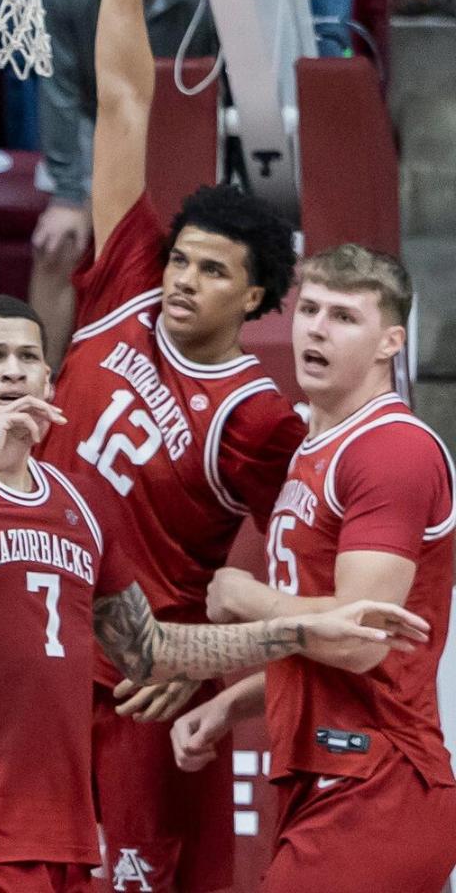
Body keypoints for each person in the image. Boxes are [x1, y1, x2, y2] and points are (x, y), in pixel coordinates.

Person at [0, 283, 426, 893]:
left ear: (49, 382)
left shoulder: (82, 501)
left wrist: (298, 632)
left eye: (28, 357)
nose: (13, 370)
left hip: (71, 841)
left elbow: (147, 652)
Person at [32, 0, 306, 892]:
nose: (185, 279)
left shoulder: (258, 419)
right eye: (184, 259)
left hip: (140, 686)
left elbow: (311, 574)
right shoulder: (127, 282)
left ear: (257, 299)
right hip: (36, 653)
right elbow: (121, 97)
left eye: (214, 271)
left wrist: (213, 664)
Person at [176, 245, 456, 893]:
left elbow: (359, 640)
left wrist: (244, 596)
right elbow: (315, 642)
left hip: (379, 781)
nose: (318, 329)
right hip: (333, 775)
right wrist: (233, 704)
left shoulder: (390, 448)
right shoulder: (315, 446)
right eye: (310, 310)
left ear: (390, 342)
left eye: (344, 317)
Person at [29, 0, 217, 356]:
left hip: (182, 135)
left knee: (196, 250)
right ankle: (41, 379)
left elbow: (224, 93)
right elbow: (61, 97)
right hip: (98, 131)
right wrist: (69, 196)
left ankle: (184, 378)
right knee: (58, 243)